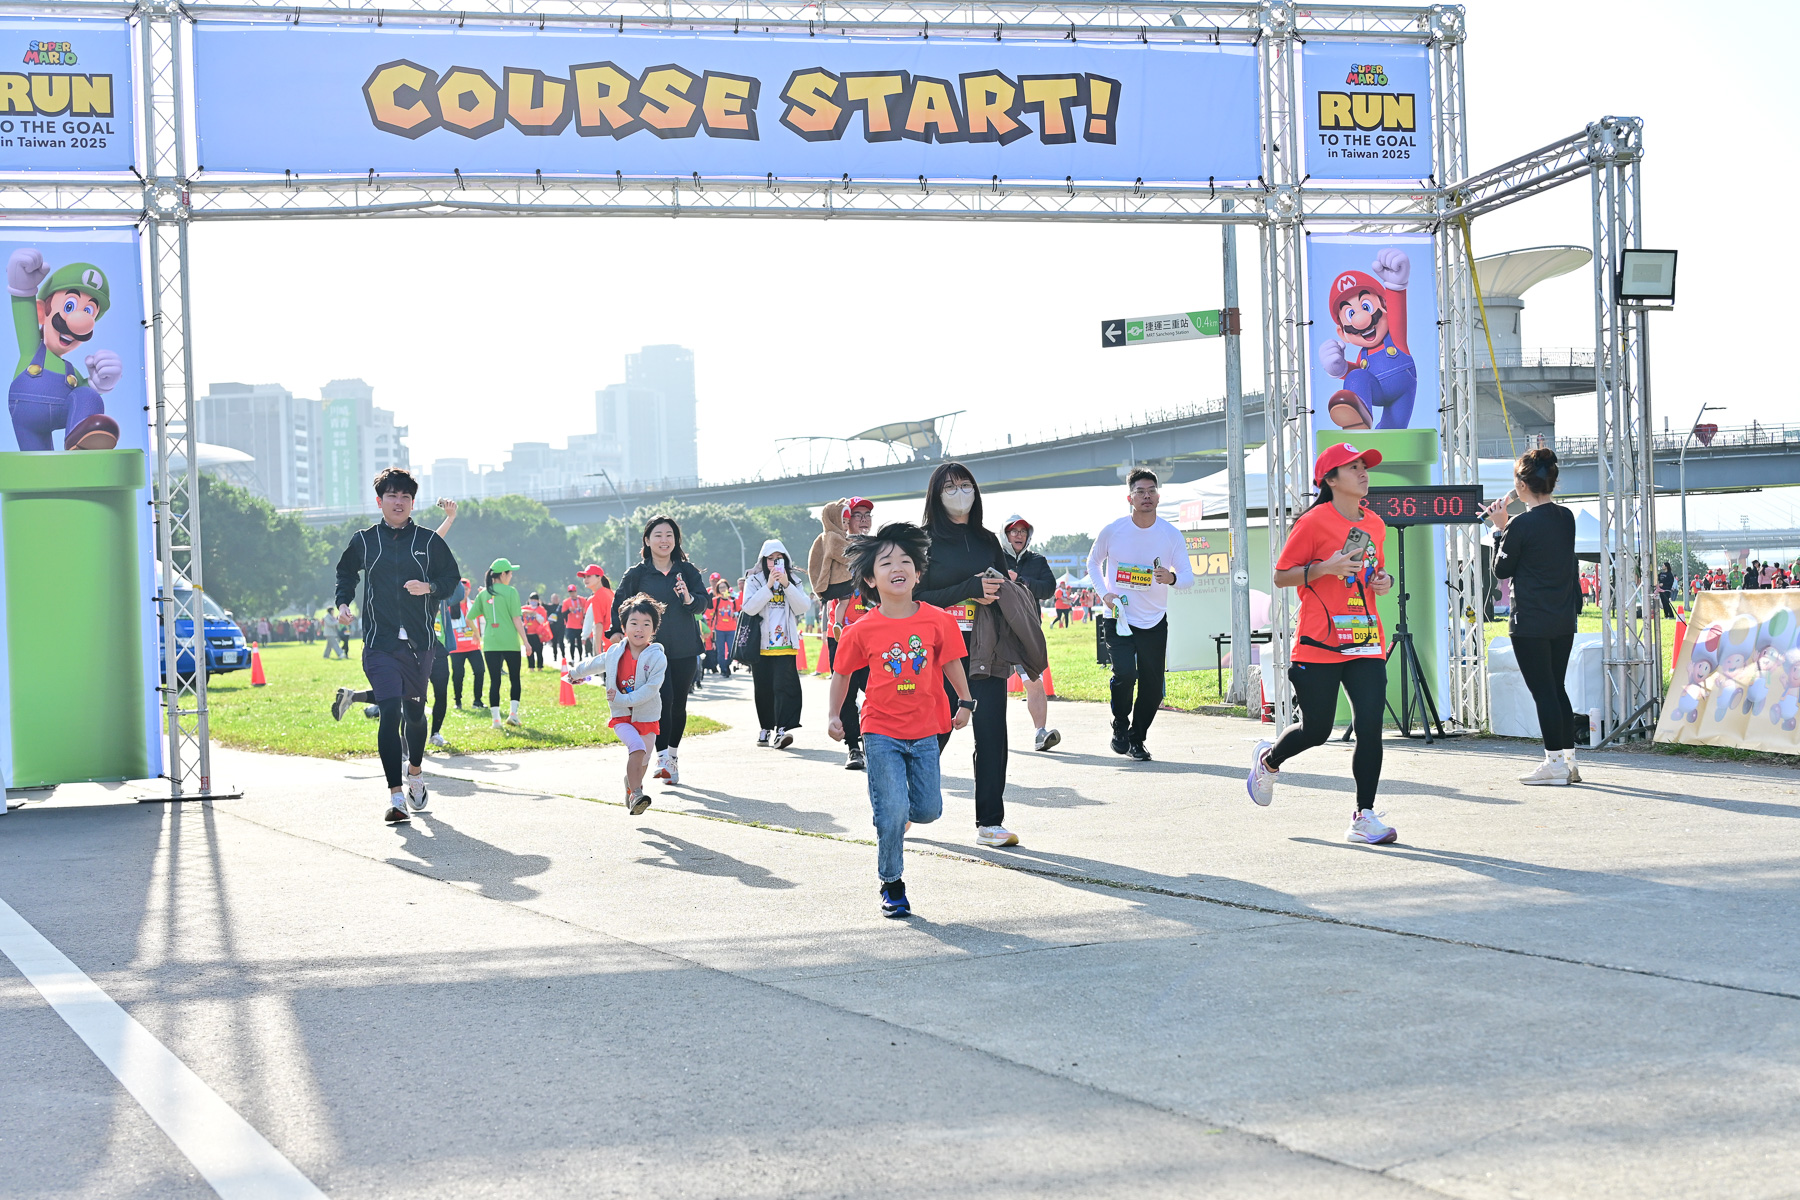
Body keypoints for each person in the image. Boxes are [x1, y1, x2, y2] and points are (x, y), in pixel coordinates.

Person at [1245, 443, 1400, 845]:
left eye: (1365, 466)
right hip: (1320, 641)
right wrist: (1325, 568)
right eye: (1353, 467)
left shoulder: (1375, 524)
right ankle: (1270, 761)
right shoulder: (1313, 522)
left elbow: (1375, 572)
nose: (1363, 473)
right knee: (1317, 730)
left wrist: (1383, 581)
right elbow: (1282, 575)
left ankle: (1364, 815)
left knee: (1370, 727)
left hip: (1364, 639)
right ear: (1330, 479)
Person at [828, 522, 975, 918]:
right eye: (886, 562)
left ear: (918, 572)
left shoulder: (938, 621)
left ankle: (893, 811)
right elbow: (842, 673)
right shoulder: (861, 629)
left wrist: (965, 701)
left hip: (926, 730)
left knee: (927, 810)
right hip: (880, 730)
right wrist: (834, 715)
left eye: (906, 560)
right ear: (870, 579)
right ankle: (892, 883)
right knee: (892, 812)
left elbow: (952, 662)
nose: (898, 567)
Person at [331, 468, 459, 825]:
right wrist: (343, 603)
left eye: (405, 497)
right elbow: (346, 573)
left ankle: (415, 772)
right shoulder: (365, 540)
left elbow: (451, 578)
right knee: (390, 713)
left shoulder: (429, 541)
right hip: (379, 643)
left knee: (415, 716)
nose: (398, 502)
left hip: (419, 644)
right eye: (392, 496)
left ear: (413, 502)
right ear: (380, 501)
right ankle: (396, 797)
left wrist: (429, 588)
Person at [917, 462, 1017, 849]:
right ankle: (906, 804)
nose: (960, 493)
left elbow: (1006, 590)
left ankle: (990, 822)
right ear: (936, 495)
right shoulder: (923, 542)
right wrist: (967, 589)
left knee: (992, 734)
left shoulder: (988, 539)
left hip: (985, 648)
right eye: (950, 487)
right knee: (935, 731)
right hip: (938, 651)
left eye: (966, 485)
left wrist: (999, 590)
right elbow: (914, 598)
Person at [1489, 448, 1585, 786]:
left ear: (1521, 485)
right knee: (1556, 688)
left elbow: (1502, 569)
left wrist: (1500, 530)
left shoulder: (1520, 524)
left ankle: (1554, 764)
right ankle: (1569, 762)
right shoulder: (1566, 517)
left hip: (1530, 620)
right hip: (1562, 617)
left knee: (1543, 692)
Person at [1087, 469, 1195, 761]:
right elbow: (1093, 563)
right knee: (1124, 674)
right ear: (1130, 498)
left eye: (1151, 491)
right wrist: (1104, 594)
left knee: (1153, 689)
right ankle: (1120, 724)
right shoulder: (1114, 530)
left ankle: (1137, 737)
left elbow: (1188, 577)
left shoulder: (1170, 535)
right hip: (1119, 617)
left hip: (1154, 621)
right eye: (1140, 491)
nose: (1146, 496)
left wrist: (1171, 578)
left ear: (1158, 496)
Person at [611, 514, 709, 783]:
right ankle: (662, 756)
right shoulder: (637, 574)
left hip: (685, 647)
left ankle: (672, 757)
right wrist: (617, 632)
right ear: (647, 540)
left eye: (669, 535)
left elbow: (703, 603)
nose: (664, 540)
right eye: (658, 535)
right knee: (661, 702)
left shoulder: (687, 571)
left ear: (676, 540)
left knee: (678, 703)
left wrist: (688, 597)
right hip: (649, 652)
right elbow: (620, 604)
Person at [570, 593, 666, 816]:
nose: (639, 629)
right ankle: (637, 795)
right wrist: (574, 673)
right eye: (634, 623)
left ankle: (631, 785)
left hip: (647, 715)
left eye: (646, 624)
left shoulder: (657, 657)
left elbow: (650, 689)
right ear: (624, 627)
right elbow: (595, 663)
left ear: (654, 629)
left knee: (644, 758)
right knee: (637, 748)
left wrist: (623, 698)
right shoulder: (615, 652)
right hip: (622, 715)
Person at [741, 538, 812, 749]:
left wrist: (786, 585)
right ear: (763, 561)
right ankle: (765, 728)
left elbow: (803, 607)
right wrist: (769, 586)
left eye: (778, 558)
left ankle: (782, 729)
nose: (774, 563)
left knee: (785, 687)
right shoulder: (754, 580)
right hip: (761, 645)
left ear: (785, 560)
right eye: (770, 559)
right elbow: (749, 608)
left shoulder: (793, 581)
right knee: (763, 689)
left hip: (786, 644)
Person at [1001, 514, 1062, 752]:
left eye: (1023, 531)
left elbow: (1048, 589)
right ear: (1005, 535)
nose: (1019, 535)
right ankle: (989, 735)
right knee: (990, 686)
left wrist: (1021, 580)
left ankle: (1040, 733)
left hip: (1026, 630)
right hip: (997, 630)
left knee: (1034, 681)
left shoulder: (1037, 560)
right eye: (1014, 531)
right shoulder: (993, 557)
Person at [475, 557, 530, 730]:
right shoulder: (511, 592)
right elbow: (516, 619)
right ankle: (513, 715)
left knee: (495, 681)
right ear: (503, 574)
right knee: (514, 679)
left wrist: (477, 635)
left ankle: (496, 721)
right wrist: (526, 642)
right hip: (510, 643)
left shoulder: (483, 594)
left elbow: (470, 617)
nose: (511, 576)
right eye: (510, 573)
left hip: (490, 644)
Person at [447, 575, 485, 708]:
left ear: (469, 590)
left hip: (473, 646)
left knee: (480, 671)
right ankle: (458, 701)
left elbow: (488, 607)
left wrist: (484, 594)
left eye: (466, 589)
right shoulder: (450, 606)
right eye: (461, 589)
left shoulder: (474, 605)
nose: (464, 591)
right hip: (456, 648)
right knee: (458, 675)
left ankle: (477, 701)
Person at [707, 577, 739, 677]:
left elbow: (739, 611)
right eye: (720, 588)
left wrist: (735, 614)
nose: (722, 589)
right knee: (721, 651)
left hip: (732, 629)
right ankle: (724, 670)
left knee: (732, 651)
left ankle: (727, 665)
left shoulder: (733, 600)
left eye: (724, 587)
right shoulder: (716, 601)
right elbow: (710, 612)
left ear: (728, 588)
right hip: (719, 629)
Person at [580, 565, 615, 654]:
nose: (585, 579)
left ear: (599, 578)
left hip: (610, 645)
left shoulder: (597, 597)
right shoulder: (609, 592)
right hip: (618, 642)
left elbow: (598, 625)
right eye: (584, 577)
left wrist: (596, 652)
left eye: (588, 576)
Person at [522, 591, 551, 670]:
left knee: (539, 651)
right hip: (528, 633)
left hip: (538, 634)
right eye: (531, 600)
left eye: (535, 600)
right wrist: (527, 612)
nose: (533, 601)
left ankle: (540, 667)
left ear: (538, 601)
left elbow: (542, 621)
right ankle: (531, 667)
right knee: (529, 651)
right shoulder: (525, 608)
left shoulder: (541, 609)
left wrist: (535, 614)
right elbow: (518, 613)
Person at [560, 584, 587, 660]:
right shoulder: (566, 602)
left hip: (580, 625)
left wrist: (584, 619)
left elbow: (586, 611)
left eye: (573, 592)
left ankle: (580, 657)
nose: (572, 594)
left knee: (579, 642)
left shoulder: (582, 600)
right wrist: (569, 610)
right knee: (572, 642)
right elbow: (563, 614)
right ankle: (572, 658)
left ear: (576, 591)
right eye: (570, 592)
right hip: (570, 626)